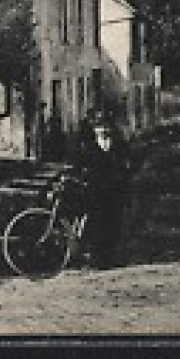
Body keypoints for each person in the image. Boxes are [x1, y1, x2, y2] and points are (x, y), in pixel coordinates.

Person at [72, 110, 132, 266]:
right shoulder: (87, 147)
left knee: (114, 223)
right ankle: (97, 256)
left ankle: (110, 256)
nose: (103, 130)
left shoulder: (119, 145)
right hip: (95, 191)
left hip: (114, 191)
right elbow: (78, 166)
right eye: (98, 126)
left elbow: (129, 164)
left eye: (105, 126)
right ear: (93, 129)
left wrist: (123, 180)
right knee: (96, 223)